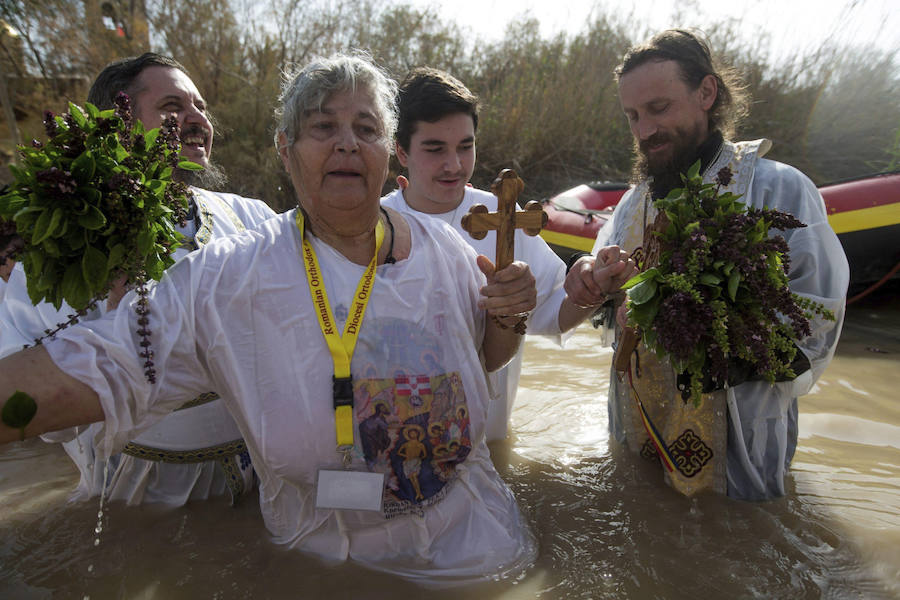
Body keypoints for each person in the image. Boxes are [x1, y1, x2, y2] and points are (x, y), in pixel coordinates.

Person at [0, 53, 633, 583]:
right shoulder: (226, 277)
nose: (346, 143)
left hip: (480, 559)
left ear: (389, 154)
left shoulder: (447, 252)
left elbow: (483, 357)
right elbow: (99, 365)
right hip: (321, 567)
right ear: (285, 149)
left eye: (366, 126)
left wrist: (508, 316)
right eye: (322, 126)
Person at [566, 29, 849, 500]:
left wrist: (720, 347)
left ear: (706, 93)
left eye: (658, 109)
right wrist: (593, 278)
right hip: (639, 432)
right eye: (632, 116)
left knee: (739, 547)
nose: (644, 130)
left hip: (739, 445)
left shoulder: (779, 191)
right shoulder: (633, 204)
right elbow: (605, 302)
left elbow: (818, 322)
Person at [0, 53, 276, 505]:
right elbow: (32, 411)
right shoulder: (58, 245)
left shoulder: (252, 217)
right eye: (172, 107)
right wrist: (113, 314)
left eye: (201, 107)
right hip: (136, 505)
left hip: (260, 496)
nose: (196, 120)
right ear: (115, 124)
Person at [381, 67, 634, 441]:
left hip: (489, 440)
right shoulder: (375, 227)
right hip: (400, 433)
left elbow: (553, 314)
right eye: (435, 149)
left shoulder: (504, 218)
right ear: (401, 151)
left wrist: (591, 287)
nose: (454, 165)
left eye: (465, 147)